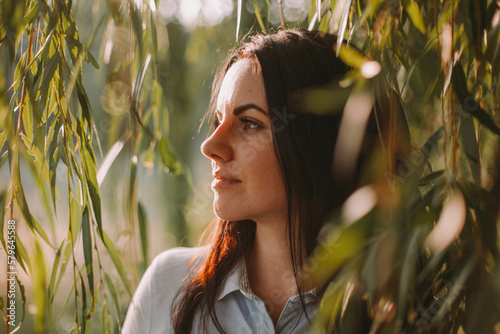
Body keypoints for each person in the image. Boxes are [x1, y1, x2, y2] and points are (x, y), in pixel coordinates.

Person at [122, 29, 404, 334]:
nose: (210, 146)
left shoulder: (394, 307)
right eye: (218, 121)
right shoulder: (167, 288)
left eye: (249, 124)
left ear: (320, 143)